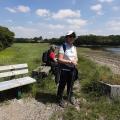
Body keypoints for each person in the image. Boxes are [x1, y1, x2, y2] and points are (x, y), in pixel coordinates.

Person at [57, 30, 78, 107]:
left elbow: (76, 57)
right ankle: (59, 98)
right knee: (62, 85)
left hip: (73, 69)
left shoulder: (74, 47)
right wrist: (70, 62)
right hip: (64, 69)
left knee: (71, 84)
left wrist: (75, 61)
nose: (72, 38)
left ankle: (70, 96)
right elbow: (59, 59)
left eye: (73, 36)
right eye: (70, 36)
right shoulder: (63, 46)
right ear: (67, 37)